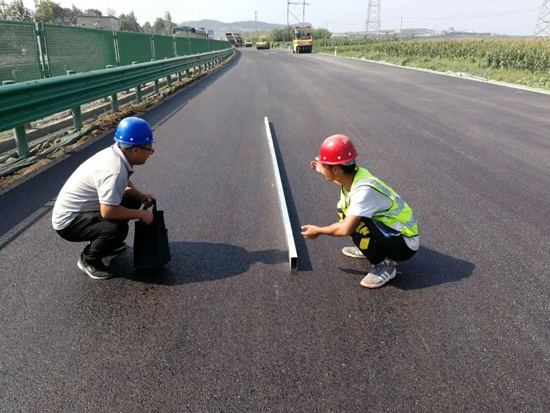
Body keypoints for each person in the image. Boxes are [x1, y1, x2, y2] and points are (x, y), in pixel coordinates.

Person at [301, 135, 419, 288]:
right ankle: (369, 248)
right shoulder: (356, 175)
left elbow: (345, 229)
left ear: (336, 169)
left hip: (404, 245)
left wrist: (319, 231)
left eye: (324, 165)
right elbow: (339, 179)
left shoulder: (364, 191)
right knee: (348, 212)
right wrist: (322, 169)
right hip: (394, 231)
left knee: (354, 222)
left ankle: (384, 265)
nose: (321, 166)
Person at [52, 117, 156, 280]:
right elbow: (108, 212)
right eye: (149, 149)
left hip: (84, 210)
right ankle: (89, 259)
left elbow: (122, 183)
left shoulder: (115, 154)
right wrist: (142, 215)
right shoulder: (115, 170)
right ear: (135, 150)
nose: (150, 154)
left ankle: (108, 244)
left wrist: (140, 196)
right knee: (116, 230)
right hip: (68, 222)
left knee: (132, 201)